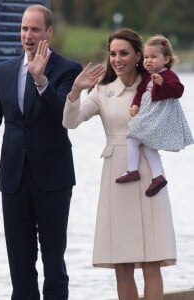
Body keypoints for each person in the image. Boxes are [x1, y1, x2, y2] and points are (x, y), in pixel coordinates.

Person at [0, 4, 82, 300]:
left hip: (53, 179)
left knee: (54, 262)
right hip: (13, 178)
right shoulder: (2, 71)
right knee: (20, 263)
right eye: (23, 28)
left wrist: (41, 80)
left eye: (34, 29)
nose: (27, 35)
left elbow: (65, 115)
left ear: (48, 32)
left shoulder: (69, 69)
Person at [63, 28, 176, 300]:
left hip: (149, 172)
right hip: (116, 174)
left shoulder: (154, 85)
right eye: (113, 53)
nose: (117, 59)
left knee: (152, 259)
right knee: (122, 263)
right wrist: (76, 91)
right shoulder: (102, 91)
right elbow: (71, 122)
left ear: (138, 55)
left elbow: (173, 110)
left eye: (124, 53)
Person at [115, 34, 193, 197]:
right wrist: (135, 104)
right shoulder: (146, 77)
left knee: (132, 136)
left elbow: (178, 91)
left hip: (159, 115)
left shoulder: (168, 75)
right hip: (148, 112)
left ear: (166, 60)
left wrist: (162, 84)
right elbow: (140, 91)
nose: (149, 60)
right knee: (149, 147)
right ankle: (157, 177)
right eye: (146, 57)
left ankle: (132, 170)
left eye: (154, 57)